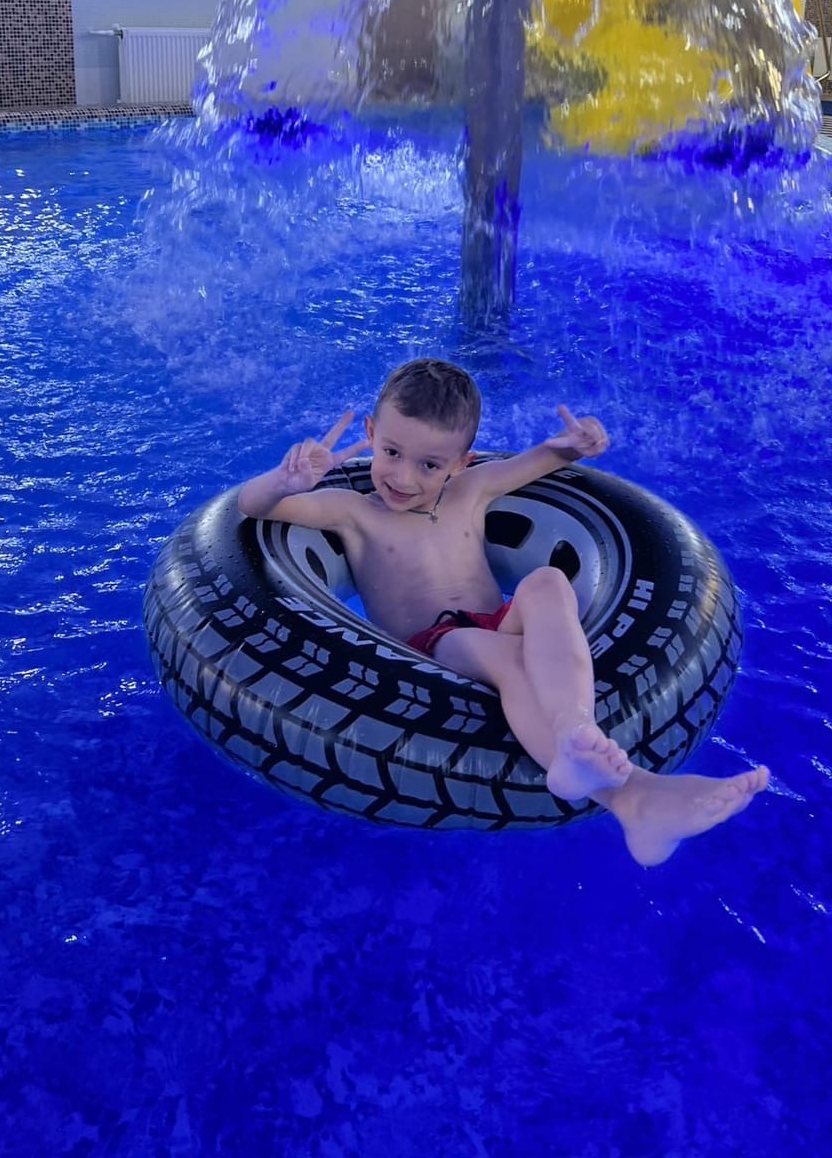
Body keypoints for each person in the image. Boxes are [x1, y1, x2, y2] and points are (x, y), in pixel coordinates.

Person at [237, 358, 768, 866]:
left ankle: (577, 731)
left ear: (461, 463)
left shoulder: (471, 490)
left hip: (497, 622)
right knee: (508, 658)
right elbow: (252, 506)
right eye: (392, 452)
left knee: (549, 583)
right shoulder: (354, 513)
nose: (403, 477)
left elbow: (539, 460)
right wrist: (287, 481)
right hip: (432, 645)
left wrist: (577, 444)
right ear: (372, 434)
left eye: (429, 465)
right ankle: (628, 794)